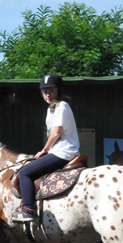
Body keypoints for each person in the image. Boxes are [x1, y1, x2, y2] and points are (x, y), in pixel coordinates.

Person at [11, 74, 80, 222]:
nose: (48, 95)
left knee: (24, 173)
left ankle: (28, 210)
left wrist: (44, 150)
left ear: (58, 91)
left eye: (51, 91)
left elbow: (56, 134)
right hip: (59, 151)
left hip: (64, 152)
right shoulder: (51, 110)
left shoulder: (62, 106)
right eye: (45, 92)